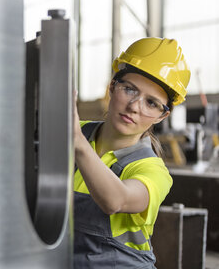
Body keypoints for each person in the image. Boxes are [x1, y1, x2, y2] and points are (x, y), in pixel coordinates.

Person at [73, 37, 191, 268]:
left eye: (152, 103)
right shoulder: (75, 132)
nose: (135, 106)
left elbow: (116, 200)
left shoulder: (152, 170)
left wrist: (76, 141)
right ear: (112, 87)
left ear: (162, 116)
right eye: (129, 90)